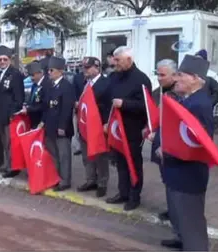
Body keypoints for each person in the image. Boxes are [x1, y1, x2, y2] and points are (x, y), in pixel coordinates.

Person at [155, 55, 212, 251]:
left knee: (192, 222)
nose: (176, 79)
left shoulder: (199, 104)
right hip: (177, 172)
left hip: (188, 175)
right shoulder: (189, 100)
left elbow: (196, 144)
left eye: (181, 75)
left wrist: (168, 152)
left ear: (195, 78)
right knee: (180, 216)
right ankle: (182, 240)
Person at [105, 46, 152, 211]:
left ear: (129, 60)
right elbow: (108, 100)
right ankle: (122, 192)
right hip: (117, 130)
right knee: (120, 163)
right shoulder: (115, 77)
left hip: (133, 130)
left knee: (133, 163)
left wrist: (124, 104)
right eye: (114, 59)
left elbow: (145, 106)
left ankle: (134, 196)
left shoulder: (142, 79)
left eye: (118, 60)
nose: (114, 63)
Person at [149, 59, 182, 222]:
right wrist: (150, 129)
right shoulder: (157, 92)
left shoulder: (181, 94)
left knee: (175, 181)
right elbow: (154, 115)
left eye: (163, 75)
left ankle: (177, 211)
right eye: (157, 74)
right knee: (166, 179)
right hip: (159, 141)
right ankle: (172, 209)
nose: (159, 78)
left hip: (174, 145)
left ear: (175, 75)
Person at [76, 57, 111, 198]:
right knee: (87, 155)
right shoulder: (84, 83)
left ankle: (102, 183)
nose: (85, 70)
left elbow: (108, 106)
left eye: (88, 67)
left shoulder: (106, 83)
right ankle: (90, 179)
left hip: (98, 126)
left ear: (97, 68)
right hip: (85, 124)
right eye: (84, 67)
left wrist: (106, 123)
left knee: (100, 156)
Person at [41, 56, 75, 192]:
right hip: (50, 125)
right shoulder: (49, 85)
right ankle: (56, 177)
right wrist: (43, 122)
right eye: (48, 70)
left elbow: (67, 109)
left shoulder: (67, 86)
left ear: (60, 71)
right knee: (53, 154)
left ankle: (65, 180)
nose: (49, 73)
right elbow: (45, 106)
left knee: (63, 155)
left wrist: (62, 126)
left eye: (51, 70)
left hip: (62, 128)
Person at [0, 45, 24, 178]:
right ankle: (7, 164)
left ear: (9, 60)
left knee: (11, 142)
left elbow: (19, 96)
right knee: (4, 141)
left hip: (10, 114)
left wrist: (13, 112)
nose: (2, 62)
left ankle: (13, 167)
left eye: (4, 59)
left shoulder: (15, 74)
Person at [19, 61, 51, 128]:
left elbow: (45, 105)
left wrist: (29, 109)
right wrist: (26, 106)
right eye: (29, 75)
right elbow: (33, 101)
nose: (31, 78)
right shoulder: (34, 84)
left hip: (42, 120)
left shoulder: (47, 85)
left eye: (33, 75)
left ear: (40, 73)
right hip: (33, 120)